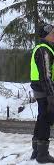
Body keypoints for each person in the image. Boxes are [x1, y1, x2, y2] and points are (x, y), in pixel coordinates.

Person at [30, 22, 54, 163]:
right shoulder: (44, 50)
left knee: (42, 118)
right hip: (45, 90)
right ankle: (42, 154)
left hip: (42, 89)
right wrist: (51, 95)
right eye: (52, 33)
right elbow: (45, 75)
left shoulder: (45, 49)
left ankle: (36, 150)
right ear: (46, 35)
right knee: (45, 120)